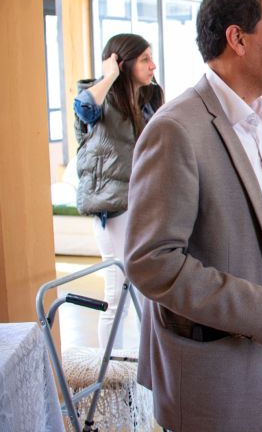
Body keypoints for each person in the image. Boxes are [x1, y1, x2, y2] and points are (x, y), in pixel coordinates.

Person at [124, 0, 262, 432]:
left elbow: (260, 230)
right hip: (216, 373)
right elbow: (152, 263)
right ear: (237, 39)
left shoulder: (256, 120)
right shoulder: (177, 128)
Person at [74, 33, 163, 349]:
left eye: (151, 57)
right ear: (122, 64)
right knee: (119, 289)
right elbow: (83, 108)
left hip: (144, 203)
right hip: (114, 207)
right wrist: (109, 74)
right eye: (143, 59)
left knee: (143, 288)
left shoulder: (150, 99)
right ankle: (111, 369)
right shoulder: (100, 100)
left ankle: (140, 368)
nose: (153, 65)